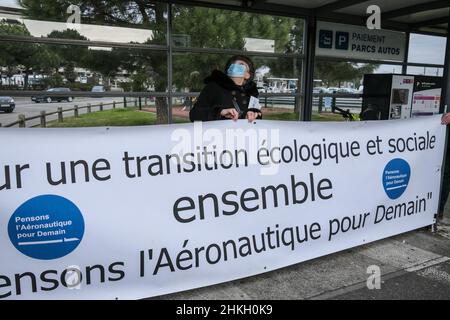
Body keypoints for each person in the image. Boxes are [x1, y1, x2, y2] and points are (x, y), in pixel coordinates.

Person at [189, 55, 262, 122]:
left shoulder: (251, 93)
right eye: (232, 64)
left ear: (247, 75)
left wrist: (252, 115)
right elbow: (194, 115)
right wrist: (220, 112)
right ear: (228, 70)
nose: (234, 65)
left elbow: (257, 118)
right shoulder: (213, 87)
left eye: (241, 64)